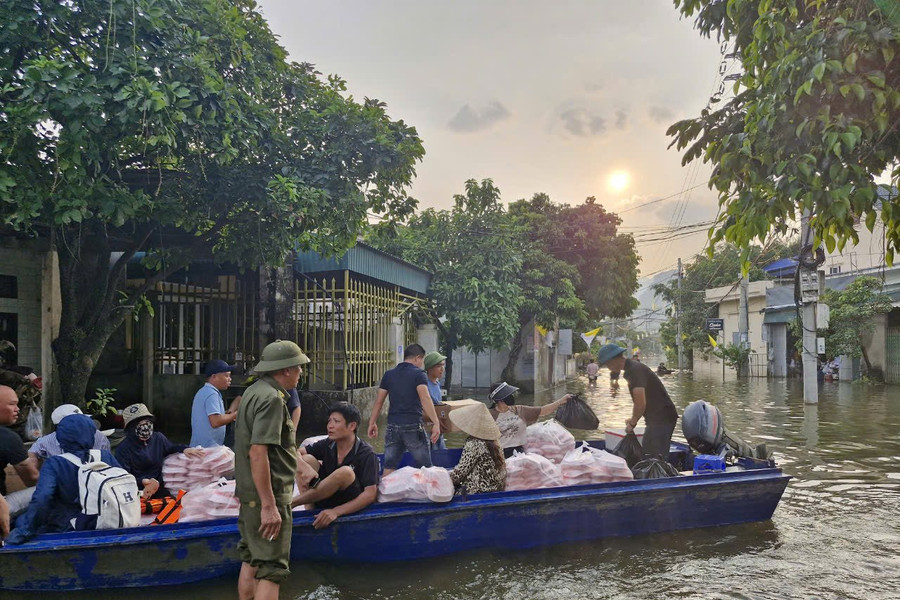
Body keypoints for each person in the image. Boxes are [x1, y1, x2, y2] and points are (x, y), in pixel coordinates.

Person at [234, 340, 308, 600]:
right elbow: (258, 452)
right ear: (285, 369)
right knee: (272, 568)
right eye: (298, 368)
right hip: (269, 494)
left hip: (249, 492)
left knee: (252, 558)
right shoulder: (272, 400)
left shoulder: (254, 391)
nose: (301, 373)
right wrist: (268, 505)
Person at [4, 414, 123, 545]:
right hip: (103, 519)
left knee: (20, 521)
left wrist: (24, 531)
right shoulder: (105, 456)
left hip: (64, 526)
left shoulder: (55, 463)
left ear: (60, 437)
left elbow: (42, 499)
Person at [292, 402, 379, 529]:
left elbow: (370, 494)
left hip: (345, 502)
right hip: (323, 497)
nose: (330, 426)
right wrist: (305, 468)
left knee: (346, 472)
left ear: (352, 426)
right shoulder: (328, 444)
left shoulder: (366, 453)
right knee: (306, 459)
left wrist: (336, 512)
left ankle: (293, 503)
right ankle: (309, 511)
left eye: (336, 421)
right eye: (329, 421)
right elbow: (293, 453)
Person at [366, 344, 441, 475]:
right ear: (417, 358)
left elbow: (379, 402)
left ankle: (386, 494)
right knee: (426, 467)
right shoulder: (419, 374)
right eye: (422, 361)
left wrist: (372, 423)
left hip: (392, 427)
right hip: (412, 427)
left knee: (389, 466)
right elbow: (425, 399)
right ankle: (428, 495)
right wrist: (436, 422)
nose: (422, 364)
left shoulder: (389, 375)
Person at [597, 344, 678, 462]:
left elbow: (640, 403)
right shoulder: (632, 369)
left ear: (614, 359)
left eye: (608, 364)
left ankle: (657, 479)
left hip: (662, 418)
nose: (608, 368)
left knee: (653, 458)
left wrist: (632, 423)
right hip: (656, 418)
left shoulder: (635, 371)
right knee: (650, 454)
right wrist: (633, 418)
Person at [115, 403, 204, 500]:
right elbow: (123, 476)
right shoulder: (123, 448)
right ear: (131, 427)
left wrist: (185, 449)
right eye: (140, 424)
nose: (145, 426)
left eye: (147, 422)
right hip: (136, 492)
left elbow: (171, 447)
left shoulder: (158, 438)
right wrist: (142, 481)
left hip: (159, 488)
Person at [488, 381, 571, 458]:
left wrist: (561, 401)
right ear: (499, 400)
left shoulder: (519, 410)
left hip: (518, 453)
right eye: (507, 395)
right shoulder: (489, 415)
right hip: (498, 455)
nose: (511, 397)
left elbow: (543, 410)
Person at [0, 385, 39, 540]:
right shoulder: (7, 438)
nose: (17, 409)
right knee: (48, 487)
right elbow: (32, 479)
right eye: (12, 404)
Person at [448, 403, 506, 495]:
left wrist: (443, 479)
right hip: (497, 489)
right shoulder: (496, 441)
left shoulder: (474, 443)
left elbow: (459, 475)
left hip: (477, 492)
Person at [190, 359, 242, 447]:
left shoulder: (206, 391)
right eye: (226, 376)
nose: (230, 379)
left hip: (203, 447)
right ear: (214, 377)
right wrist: (237, 414)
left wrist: (228, 413)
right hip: (206, 450)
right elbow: (215, 421)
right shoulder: (211, 394)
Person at [423, 351, 447, 450]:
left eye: (443, 365)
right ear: (429, 368)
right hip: (427, 429)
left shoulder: (437, 383)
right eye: (438, 366)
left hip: (438, 427)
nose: (442, 369)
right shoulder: (424, 385)